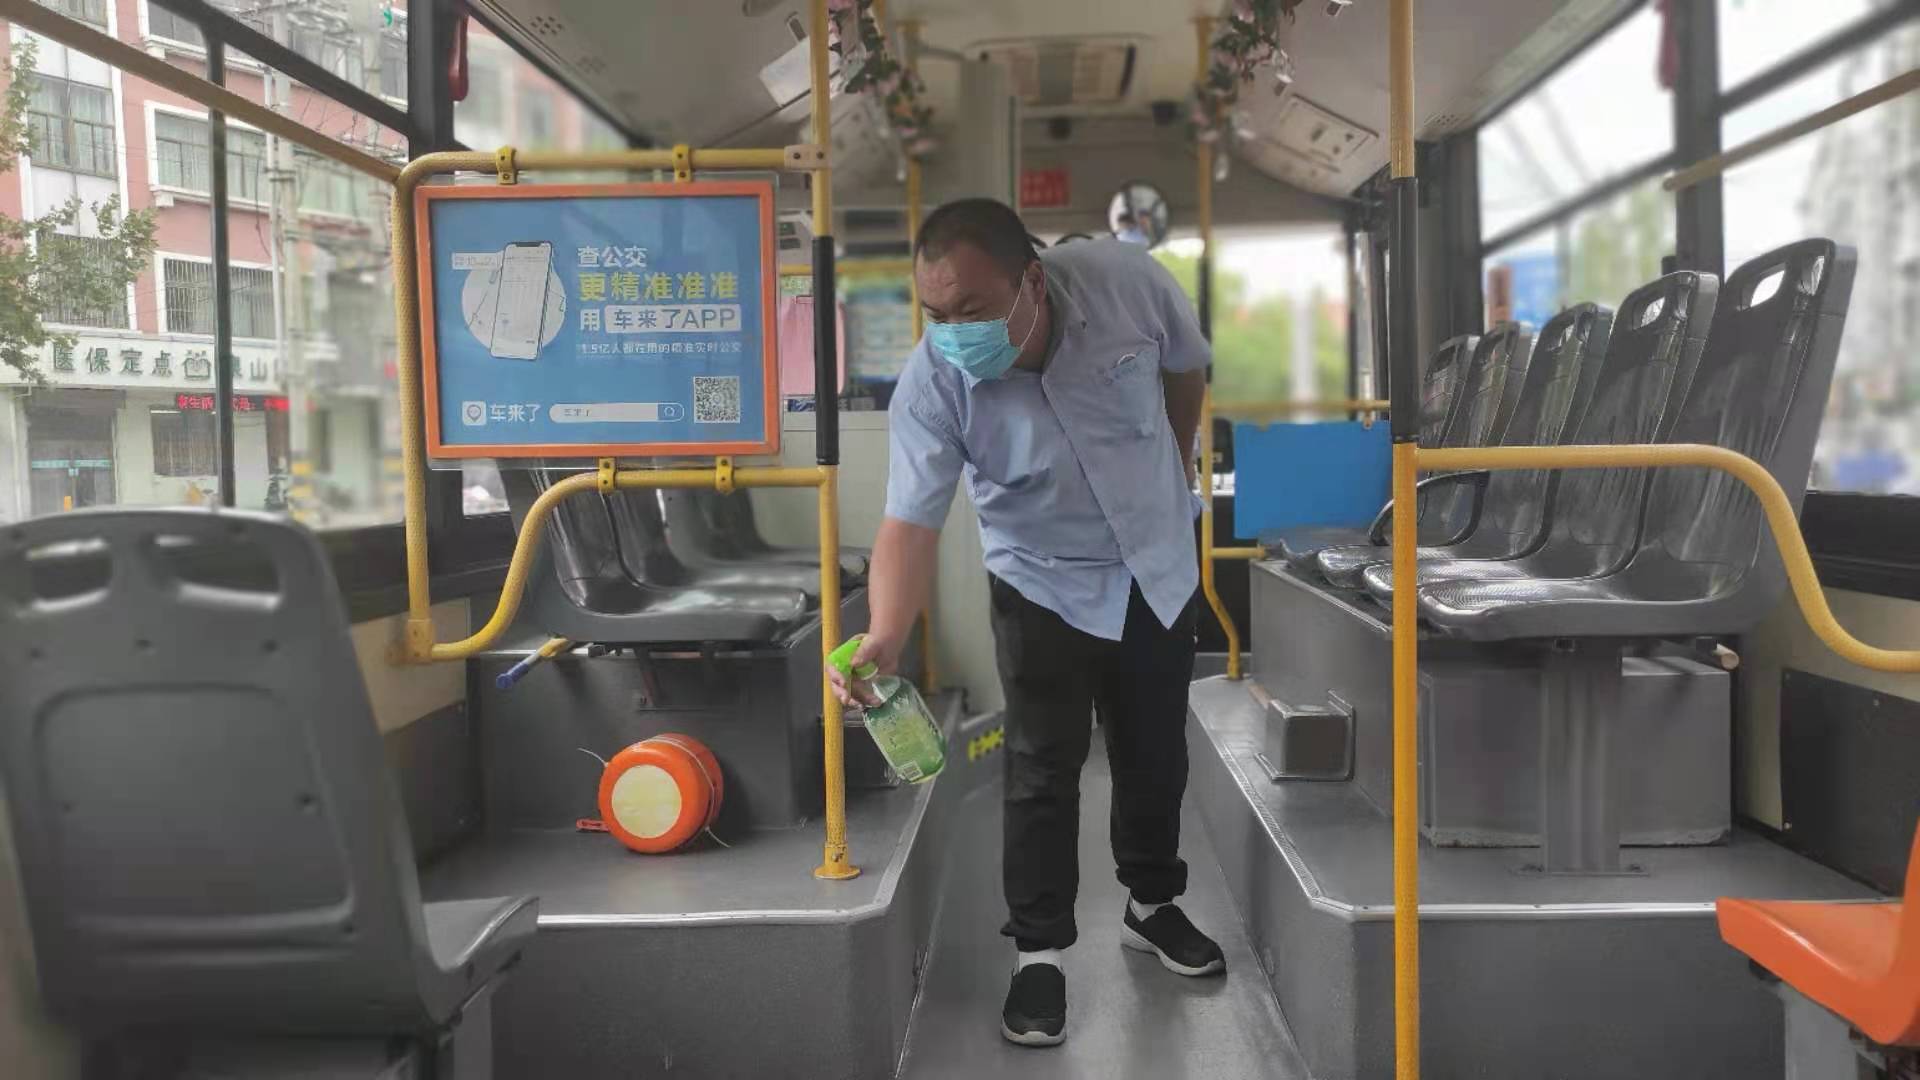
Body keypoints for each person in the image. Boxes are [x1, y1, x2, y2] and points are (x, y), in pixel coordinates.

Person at [827, 198, 1221, 1048]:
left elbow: (1186, 368)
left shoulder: (1128, 285)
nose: (953, 332)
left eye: (971, 309)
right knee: (1042, 767)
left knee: (1154, 751)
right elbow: (910, 522)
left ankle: (1152, 904)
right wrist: (886, 634)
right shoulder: (934, 383)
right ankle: (1039, 952)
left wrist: (1177, 466)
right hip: (1039, 578)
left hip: (1153, 562)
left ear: (1031, 283)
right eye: (935, 314)